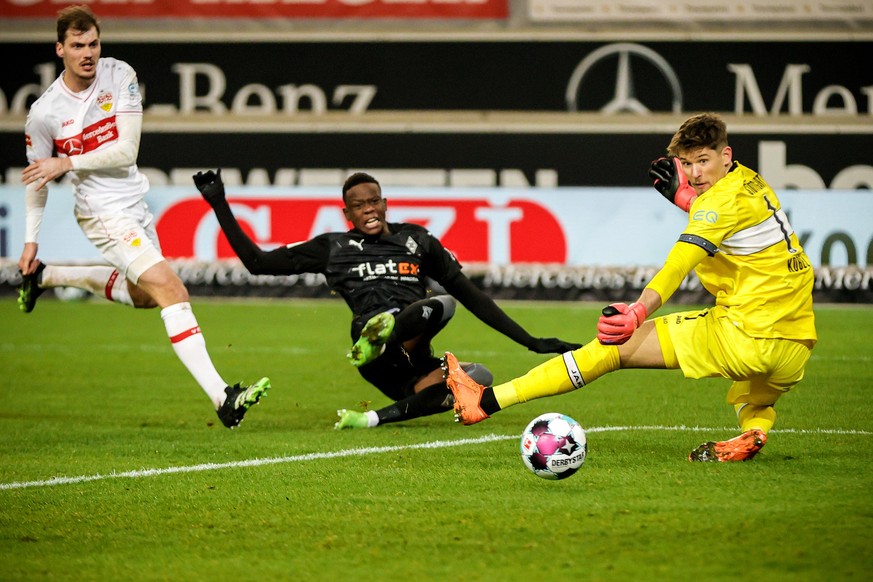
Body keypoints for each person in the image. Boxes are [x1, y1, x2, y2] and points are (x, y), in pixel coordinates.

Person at [444, 112, 817, 462]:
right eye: (687, 164)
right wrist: (685, 197)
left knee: (611, 351)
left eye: (703, 161)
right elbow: (721, 217)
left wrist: (638, 311)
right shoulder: (751, 181)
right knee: (751, 398)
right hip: (796, 344)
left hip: (746, 334)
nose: (695, 173)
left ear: (725, 154)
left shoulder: (717, 204)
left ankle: (485, 400)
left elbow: (678, 264)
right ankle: (755, 432)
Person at [16, 5, 269, 429]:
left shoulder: (120, 75)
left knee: (146, 296)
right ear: (60, 49)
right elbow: (35, 179)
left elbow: (126, 151)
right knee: (172, 289)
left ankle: (47, 277)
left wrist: (67, 164)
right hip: (101, 213)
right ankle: (223, 397)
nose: (88, 53)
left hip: (134, 204)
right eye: (77, 46)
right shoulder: (44, 113)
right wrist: (30, 238)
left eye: (93, 43)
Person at [192, 169, 581, 429]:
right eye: (359, 205)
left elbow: (474, 296)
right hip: (372, 347)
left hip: (409, 360)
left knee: (477, 377)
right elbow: (257, 263)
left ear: (385, 203)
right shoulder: (334, 247)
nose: (369, 210)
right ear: (347, 213)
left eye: (374, 201)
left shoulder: (418, 240)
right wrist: (219, 204)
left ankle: (373, 419)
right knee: (440, 305)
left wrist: (532, 341)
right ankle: (377, 336)